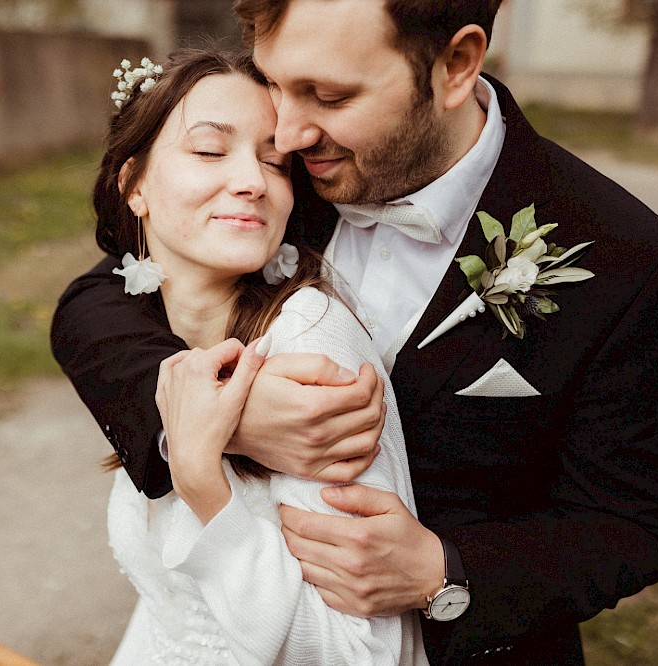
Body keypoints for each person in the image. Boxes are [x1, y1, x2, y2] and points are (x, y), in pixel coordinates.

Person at [52, 1, 658, 663]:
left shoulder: (621, 255)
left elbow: (629, 526)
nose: (290, 133)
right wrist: (220, 413)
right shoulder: (271, 172)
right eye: (275, 82)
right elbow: (103, 295)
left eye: (329, 95)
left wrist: (446, 571)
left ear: (456, 66)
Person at [77, 48, 427, 664]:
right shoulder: (146, 329)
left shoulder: (310, 347)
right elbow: (170, 613)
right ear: (134, 185)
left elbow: (357, 655)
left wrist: (205, 487)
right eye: (211, 150)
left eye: (274, 161)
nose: (253, 180)